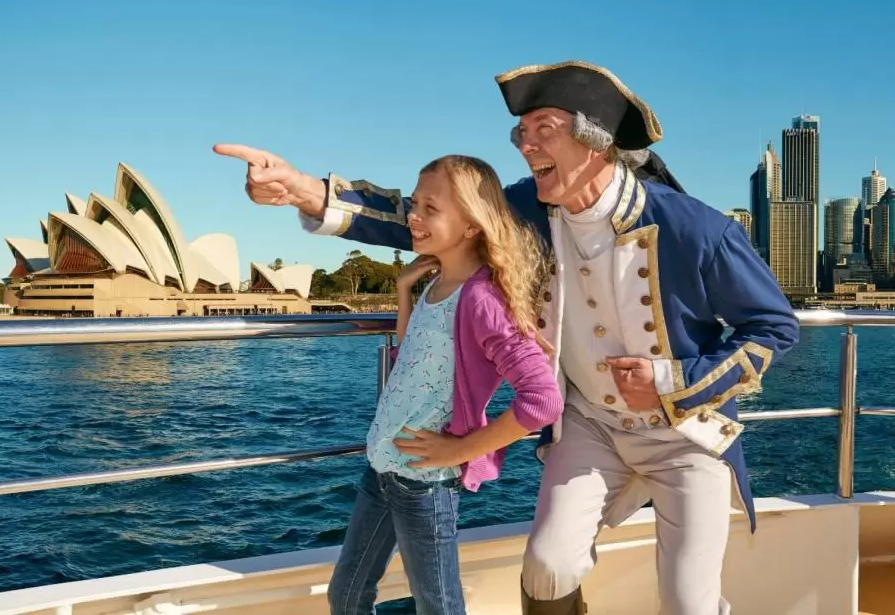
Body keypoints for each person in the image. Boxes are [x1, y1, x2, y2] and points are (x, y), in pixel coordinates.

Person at [214, 60, 800, 615]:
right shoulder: (527, 207)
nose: (524, 146)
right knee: (546, 566)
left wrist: (673, 381)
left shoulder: (696, 228)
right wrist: (301, 190)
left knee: (689, 601)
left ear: (596, 144)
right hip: (589, 424)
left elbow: (772, 328)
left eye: (543, 130)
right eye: (520, 133)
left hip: (685, 434)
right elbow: (418, 216)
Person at [318, 154, 562, 615]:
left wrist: (458, 451)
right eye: (414, 204)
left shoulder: (484, 298)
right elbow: (416, 356)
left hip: (424, 483)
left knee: (439, 607)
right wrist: (406, 292)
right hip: (383, 468)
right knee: (346, 596)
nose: (413, 215)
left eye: (431, 208)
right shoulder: (436, 286)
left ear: (472, 224)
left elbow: (542, 400)